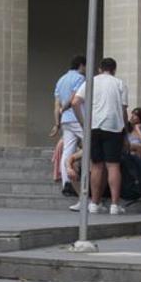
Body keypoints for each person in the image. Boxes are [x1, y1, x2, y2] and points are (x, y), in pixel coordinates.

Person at [70, 57, 129, 215]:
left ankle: (94, 203)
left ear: (99, 69)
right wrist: (126, 131)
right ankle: (115, 205)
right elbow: (124, 111)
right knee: (113, 165)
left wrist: (83, 122)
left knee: (96, 165)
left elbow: (75, 102)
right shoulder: (120, 83)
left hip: (94, 126)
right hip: (114, 127)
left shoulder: (91, 81)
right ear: (114, 70)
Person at [51, 55, 86, 197]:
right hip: (77, 117)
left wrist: (57, 122)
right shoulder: (80, 78)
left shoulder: (61, 79)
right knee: (91, 144)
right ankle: (81, 180)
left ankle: (67, 182)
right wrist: (65, 108)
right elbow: (74, 98)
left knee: (67, 150)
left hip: (65, 121)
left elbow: (56, 104)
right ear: (81, 65)